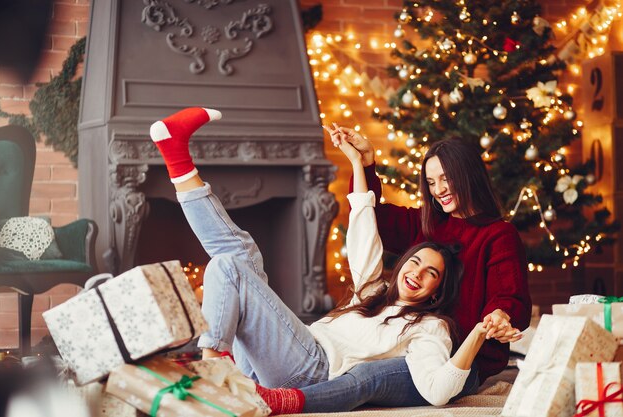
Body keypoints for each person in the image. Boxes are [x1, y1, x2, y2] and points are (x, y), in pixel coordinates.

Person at [149, 108, 513, 414]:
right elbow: (366, 222)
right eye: (432, 182)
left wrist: (489, 324)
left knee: (227, 267)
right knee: (242, 255)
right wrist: (358, 162)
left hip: (311, 368)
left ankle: (211, 367)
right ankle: (178, 161)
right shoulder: (376, 289)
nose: (439, 189)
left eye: (431, 272)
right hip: (286, 357)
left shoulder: (429, 326)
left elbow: (440, 384)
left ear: (438, 290)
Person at [301, 125, 532, 411]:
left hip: (459, 360)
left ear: (468, 175)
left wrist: (499, 316)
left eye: (446, 179)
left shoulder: (498, 234)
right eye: (432, 182)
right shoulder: (427, 223)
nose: (439, 190)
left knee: (365, 377)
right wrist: (366, 164)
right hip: (408, 342)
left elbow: (509, 294)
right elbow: (368, 216)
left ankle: (283, 401)